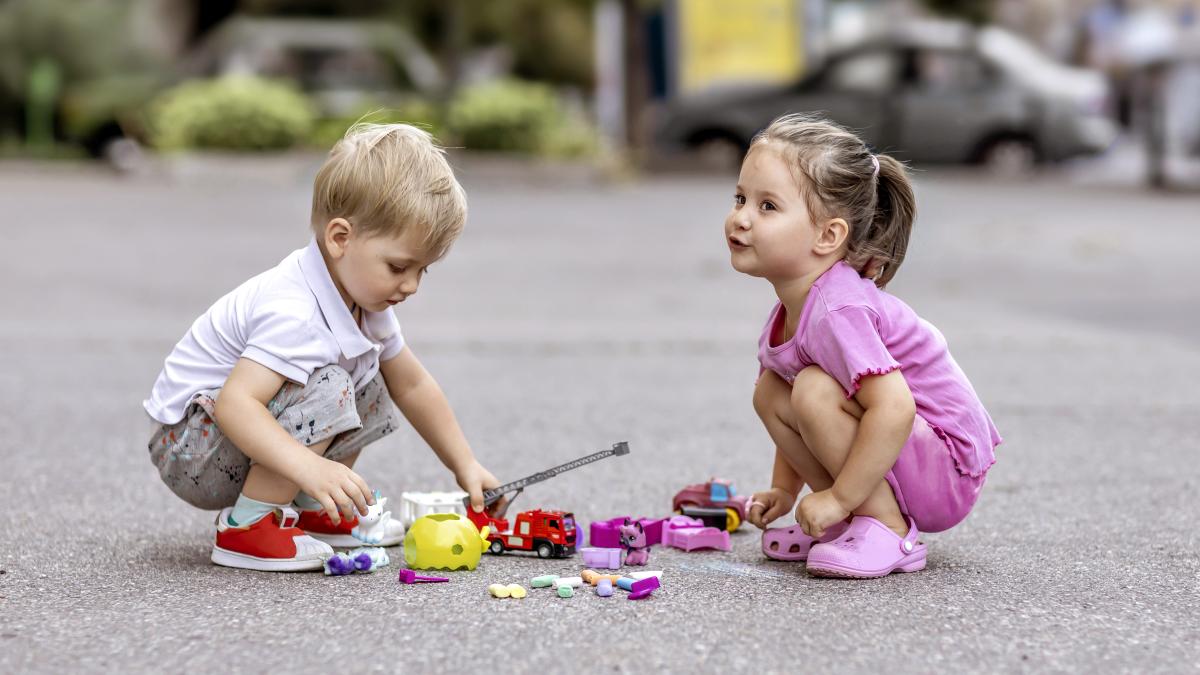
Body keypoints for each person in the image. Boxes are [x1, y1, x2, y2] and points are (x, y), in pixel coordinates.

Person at [143, 123, 506, 571]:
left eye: (422, 271)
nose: (410, 286)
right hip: (192, 449)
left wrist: (465, 464)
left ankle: (312, 508)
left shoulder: (364, 304)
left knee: (372, 381)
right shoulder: (294, 311)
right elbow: (237, 404)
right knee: (334, 383)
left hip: (230, 441)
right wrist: (313, 467)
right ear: (340, 238)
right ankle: (249, 526)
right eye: (398, 266)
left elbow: (411, 384)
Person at [731, 114, 1001, 578]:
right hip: (906, 454)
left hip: (946, 467)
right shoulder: (791, 313)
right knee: (773, 390)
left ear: (828, 236)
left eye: (767, 206)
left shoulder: (839, 309)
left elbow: (895, 408)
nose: (741, 217)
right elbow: (792, 412)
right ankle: (851, 523)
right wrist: (784, 489)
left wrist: (837, 497)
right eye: (740, 198)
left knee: (813, 389)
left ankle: (885, 526)